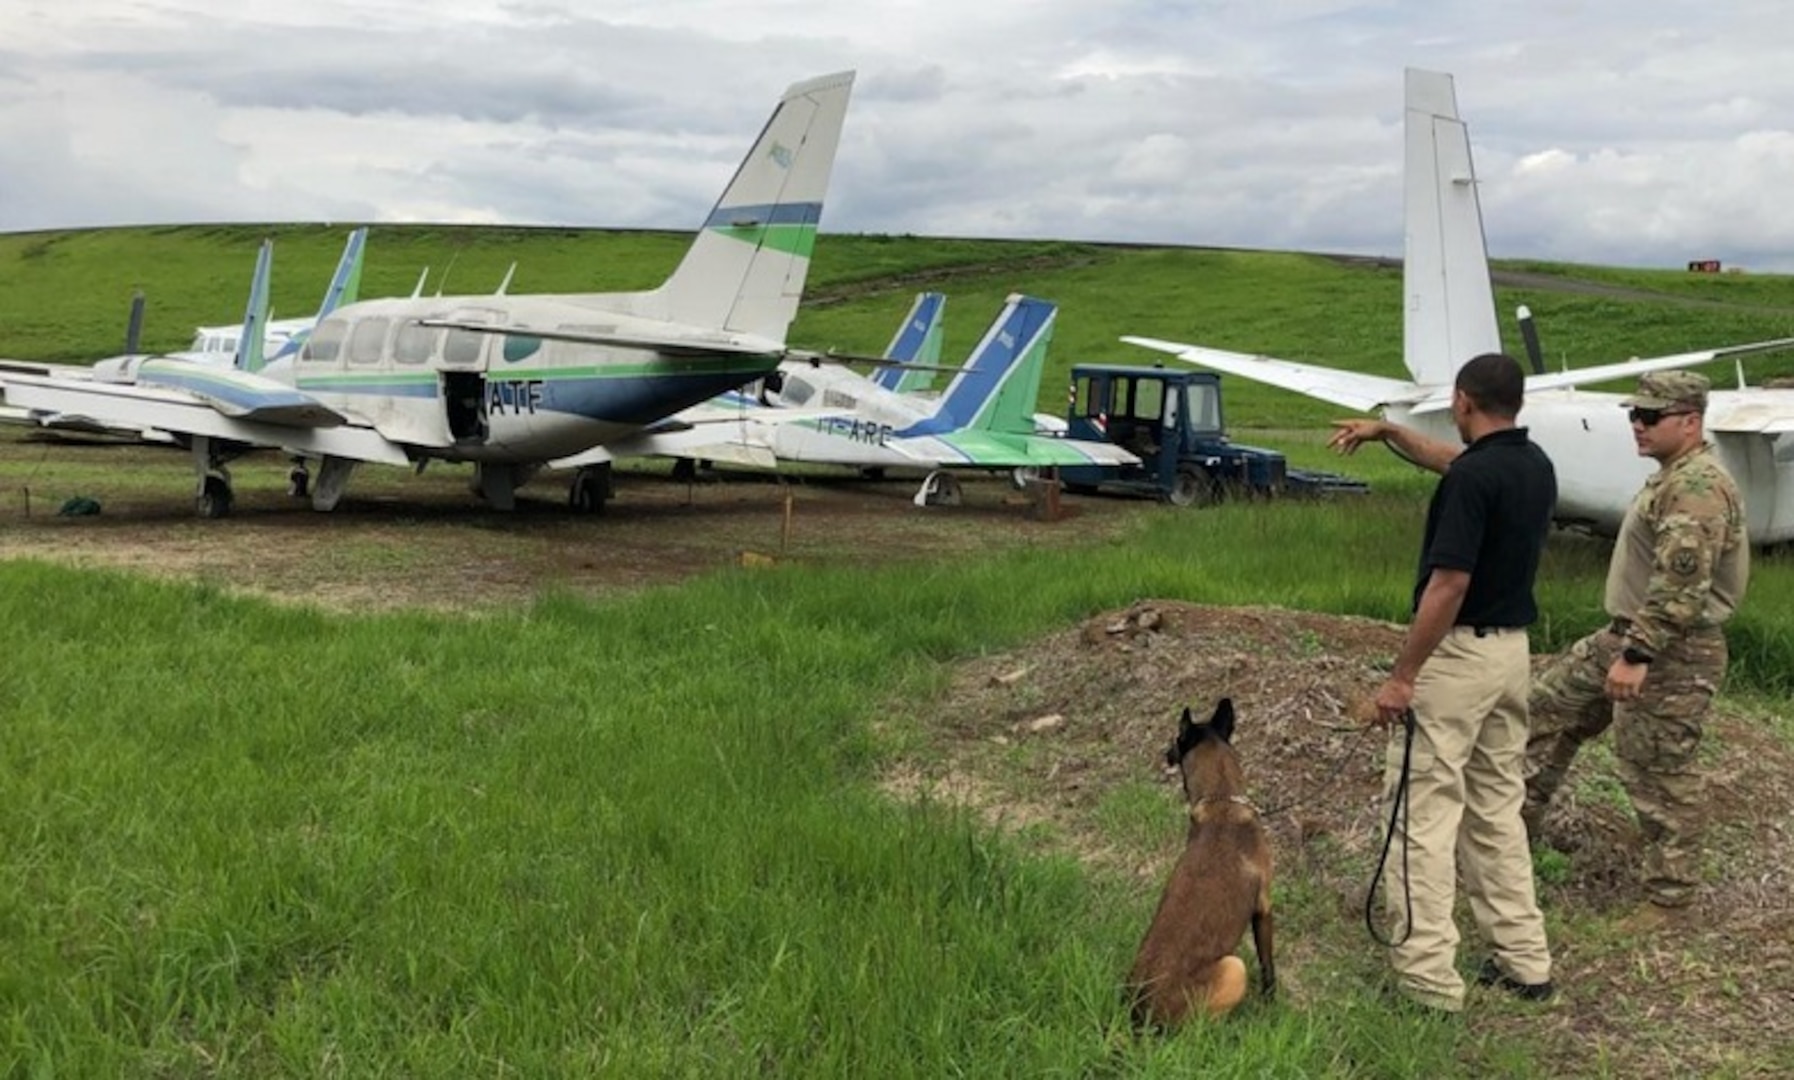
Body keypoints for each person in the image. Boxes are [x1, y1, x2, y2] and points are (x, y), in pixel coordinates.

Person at [1329, 352, 1557, 1013]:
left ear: (1462, 402)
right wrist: (1392, 434)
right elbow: (1456, 464)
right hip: (1512, 657)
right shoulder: (1530, 465)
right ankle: (1524, 962)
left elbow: (1448, 583)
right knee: (1495, 812)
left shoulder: (1473, 480)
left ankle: (1427, 982)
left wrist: (1403, 676)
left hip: (1456, 663)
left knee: (1420, 818)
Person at [1522, 370, 1748, 925]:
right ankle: (1514, 832)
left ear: (1690, 422)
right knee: (1541, 712)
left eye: (1650, 417)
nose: (1637, 426)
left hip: (1672, 651)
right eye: (1633, 415)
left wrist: (1637, 656)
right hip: (1624, 636)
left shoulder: (1697, 488)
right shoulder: (1673, 476)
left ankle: (1668, 900)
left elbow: (1681, 585)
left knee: (1656, 771)